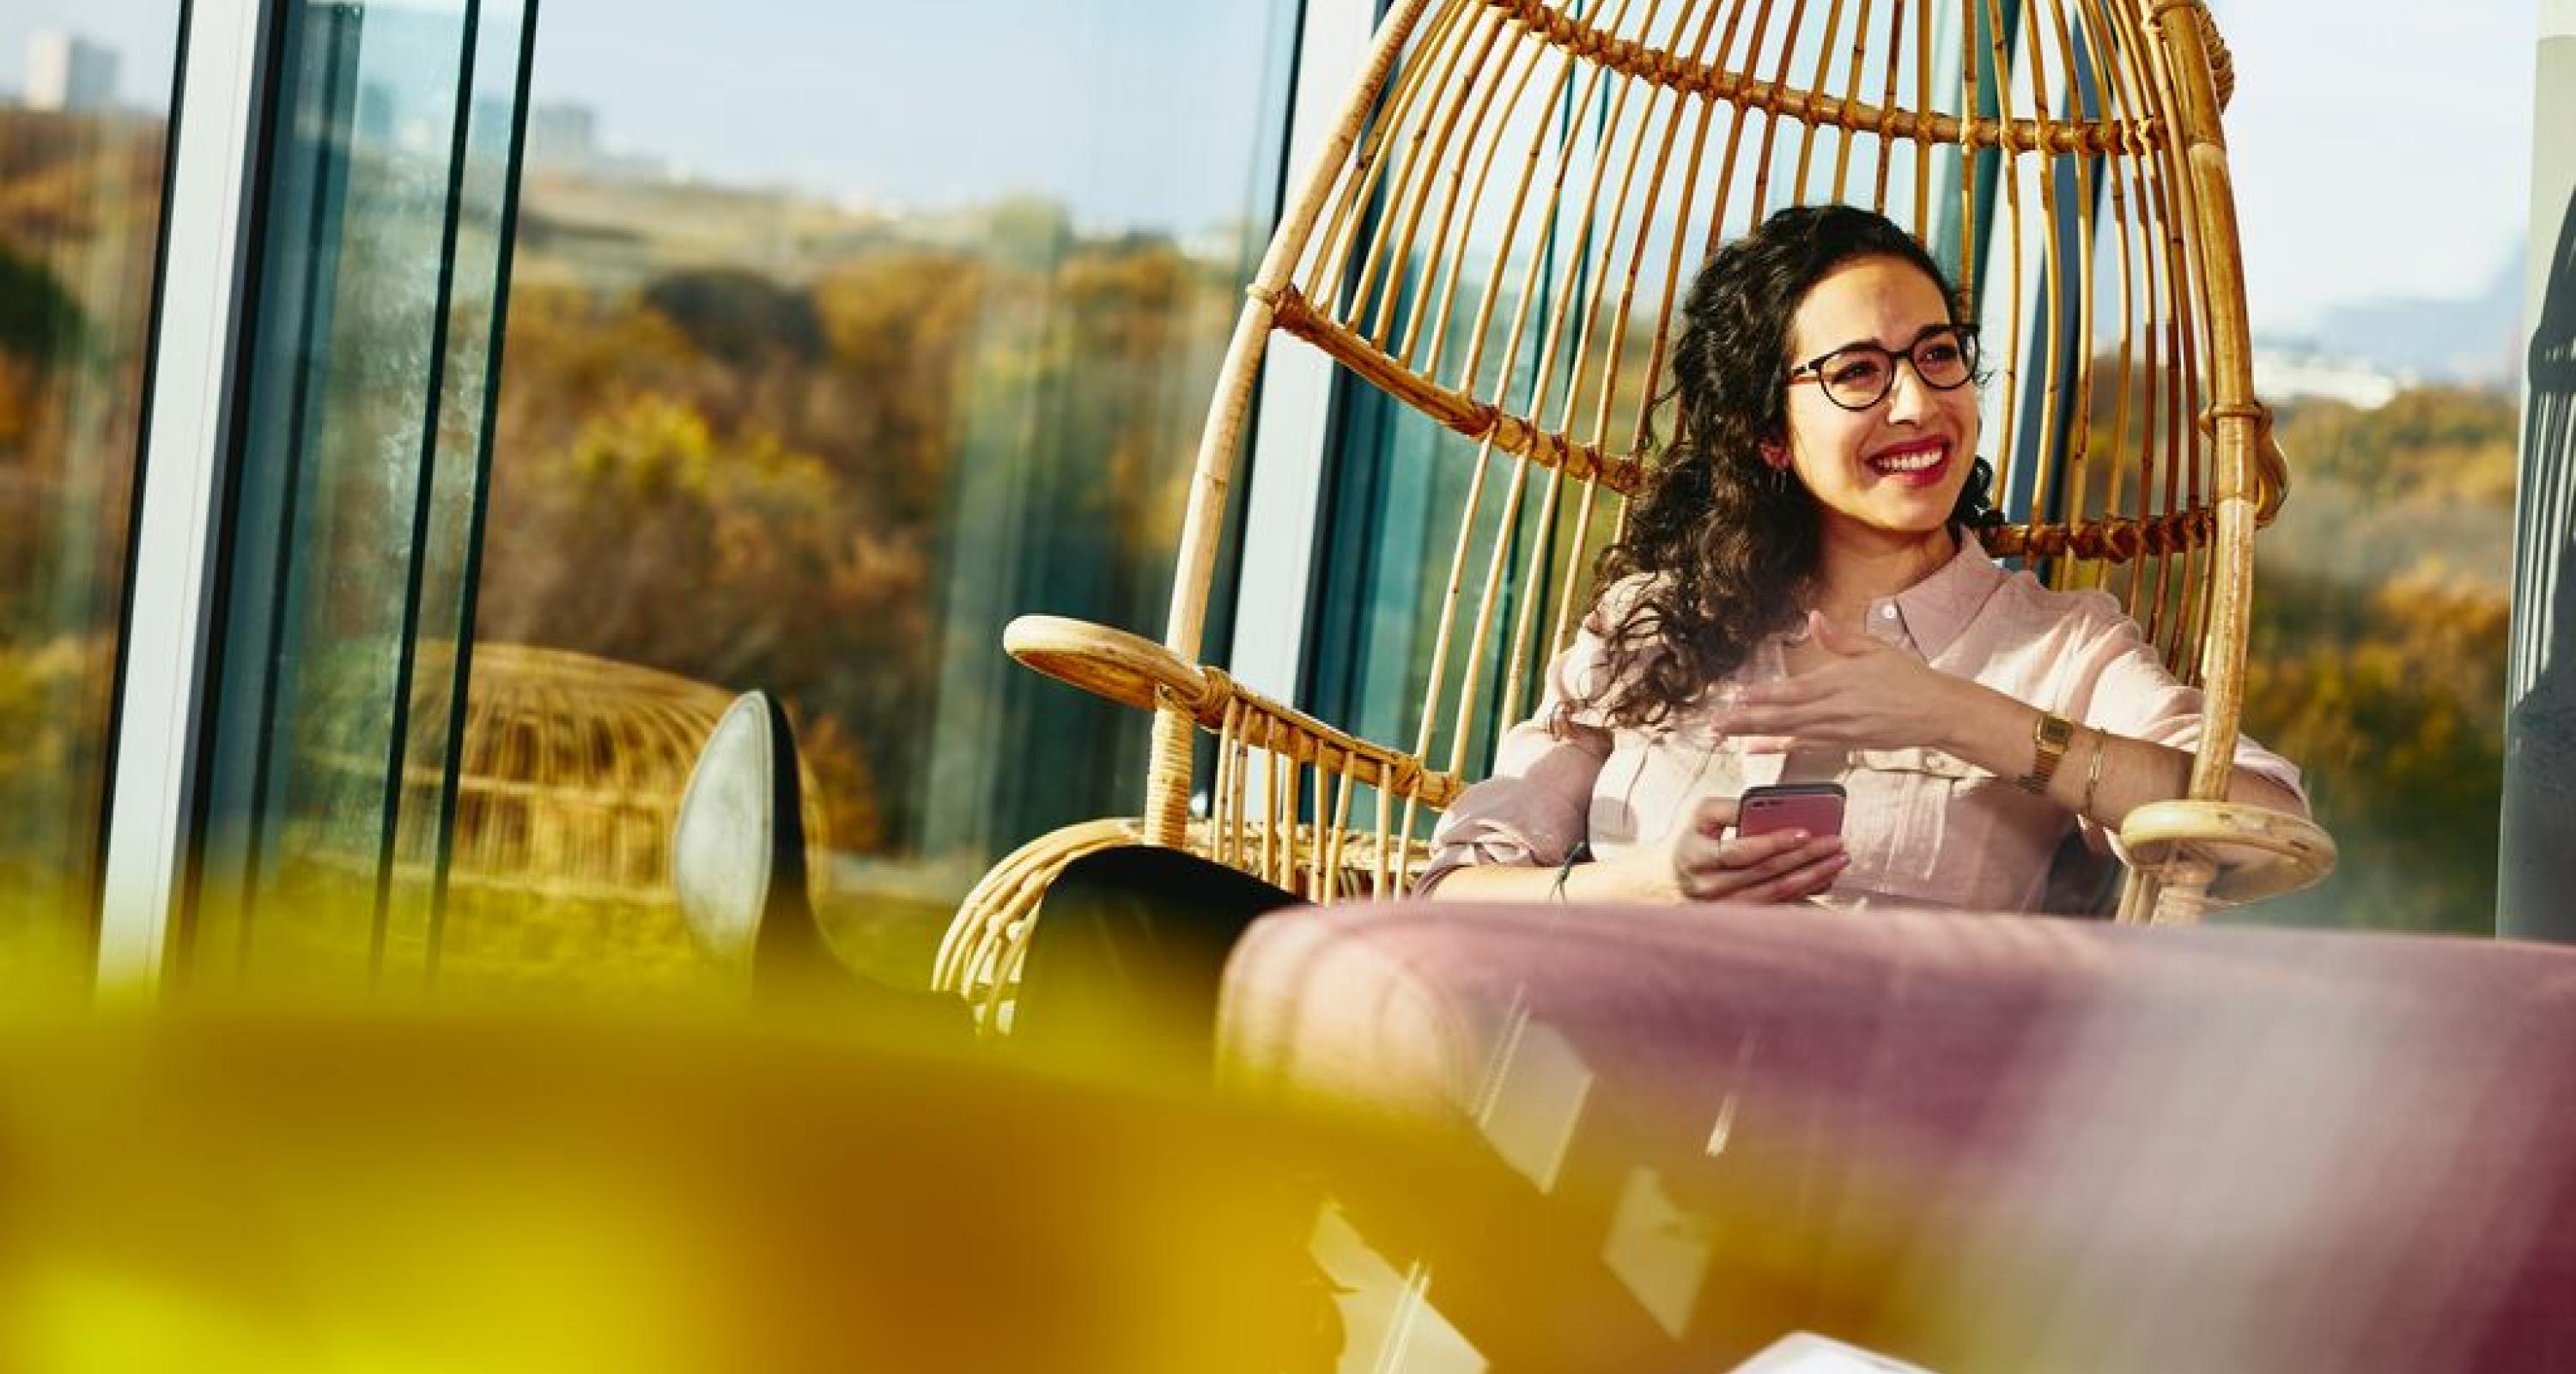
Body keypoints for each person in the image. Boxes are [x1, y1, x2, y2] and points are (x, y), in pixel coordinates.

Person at [1421, 204, 2307, 913]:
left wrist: (1957, 715)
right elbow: (1452, 897)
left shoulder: (2063, 649)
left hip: (1898, 1131)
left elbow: (2267, 830)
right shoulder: (1652, 624)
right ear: (1770, 432)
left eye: (1938, 354)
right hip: (1596, 1104)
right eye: (1857, 373)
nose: (1919, 404)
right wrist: (1647, 886)